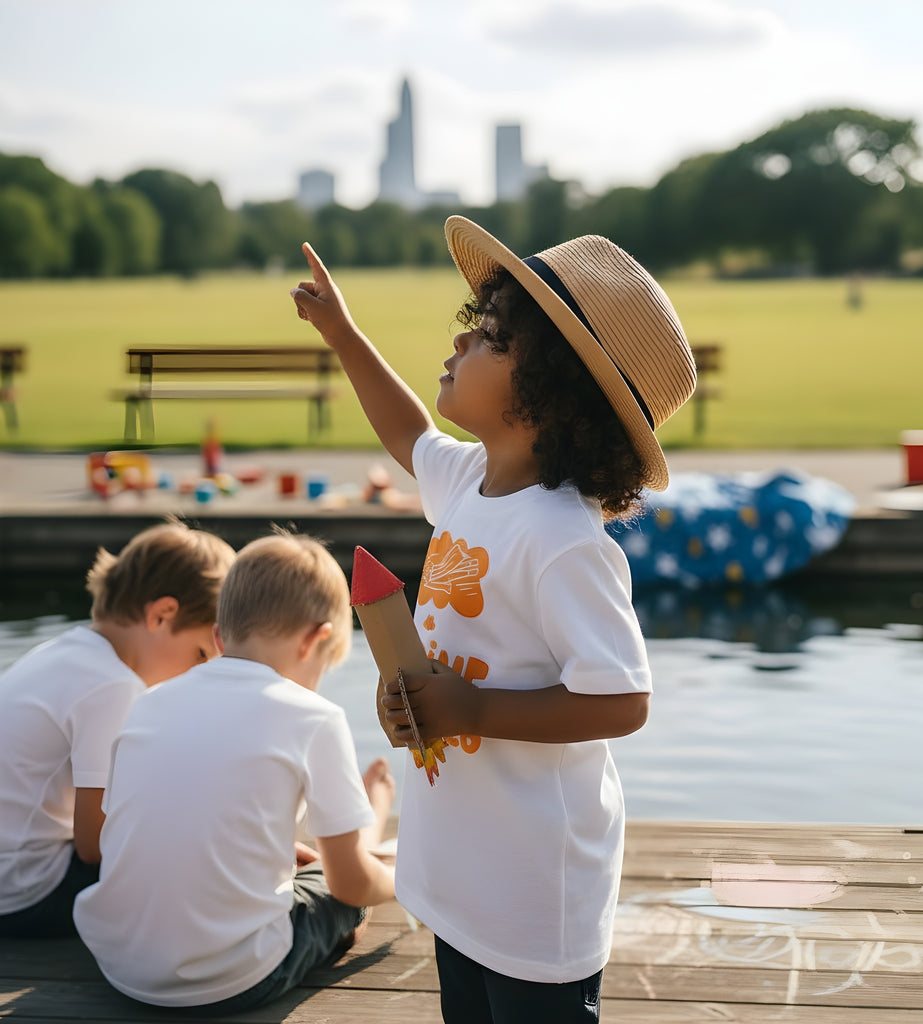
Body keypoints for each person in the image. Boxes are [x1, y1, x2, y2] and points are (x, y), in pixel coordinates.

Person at [289, 216, 697, 1022]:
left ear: (551, 395)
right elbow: (409, 433)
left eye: (489, 339)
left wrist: (473, 709)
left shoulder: (560, 540)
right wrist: (343, 334)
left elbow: (622, 700)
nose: (457, 347)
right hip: (463, 871)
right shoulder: (472, 482)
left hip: (533, 891)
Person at [73, 531, 396, 1015]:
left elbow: (157, 816)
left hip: (119, 964)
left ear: (220, 635)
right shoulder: (314, 716)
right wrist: (406, 877)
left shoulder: (147, 704)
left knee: (322, 865)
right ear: (316, 639)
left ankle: (365, 826)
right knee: (348, 892)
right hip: (231, 980)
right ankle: (371, 829)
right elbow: (350, 885)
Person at [0, 519, 235, 939]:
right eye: (201, 654)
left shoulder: (66, 651)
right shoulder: (112, 686)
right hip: (25, 891)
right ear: (162, 615)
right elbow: (95, 846)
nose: (199, 672)